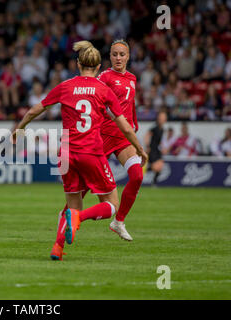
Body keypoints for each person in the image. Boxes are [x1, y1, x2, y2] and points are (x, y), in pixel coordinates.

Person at [12, 41, 148, 260]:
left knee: (72, 205)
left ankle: (57, 248)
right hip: (91, 152)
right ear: (98, 67)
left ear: (78, 63)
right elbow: (124, 125)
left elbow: (35, 110)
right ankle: (81, 218)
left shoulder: (65, 86)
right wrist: (140, 148)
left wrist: (19, 129)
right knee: (111, 204)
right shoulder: (103, 88)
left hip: (65, 155)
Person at [56, 39, 143, 242]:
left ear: (128, 56)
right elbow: (93, 100)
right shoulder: (104, 77)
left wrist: (134, 124)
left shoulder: (132, 78)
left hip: (122, 138)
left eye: (122, 54)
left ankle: (118, 222)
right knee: (83, 188)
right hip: (101, 136)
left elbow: (130, 105)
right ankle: (66, 220)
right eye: (114, 54)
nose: (118, 58)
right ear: (109, 57)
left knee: (137, 175)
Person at [144, 111, 168, 186]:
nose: (163, 119)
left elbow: (160, 141)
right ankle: (143, 170)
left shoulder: (162, 129)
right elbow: (147, 136)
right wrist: (147, 146)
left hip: (157, 150)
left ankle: (153, 182)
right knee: (156, 167)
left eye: (164, 117)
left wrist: (163, 148)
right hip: (152, 150)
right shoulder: (155, 128)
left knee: (160, 166)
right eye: (162, 117)